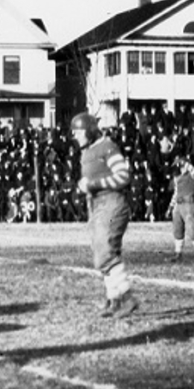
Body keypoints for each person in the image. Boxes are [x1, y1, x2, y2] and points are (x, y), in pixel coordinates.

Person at [73, 112, 139, 318]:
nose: (75, 136)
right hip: (97, 206)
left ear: (90, 131)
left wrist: (93, 184)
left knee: (105, 251)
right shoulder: (88, 152)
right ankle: (114, 299)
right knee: (102, 252)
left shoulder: (107, 146)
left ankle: (127, 297)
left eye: (78, 131)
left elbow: (123, 176)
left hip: (111, 204)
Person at [167, 156, 194, 263]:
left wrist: (186, 164)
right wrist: (170, 207)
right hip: (178, 205)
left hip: (188, 203)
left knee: (191, 228)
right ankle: (178, 253)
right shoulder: (176, 178)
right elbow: (175, 193)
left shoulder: (192, 175)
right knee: (177, 229)